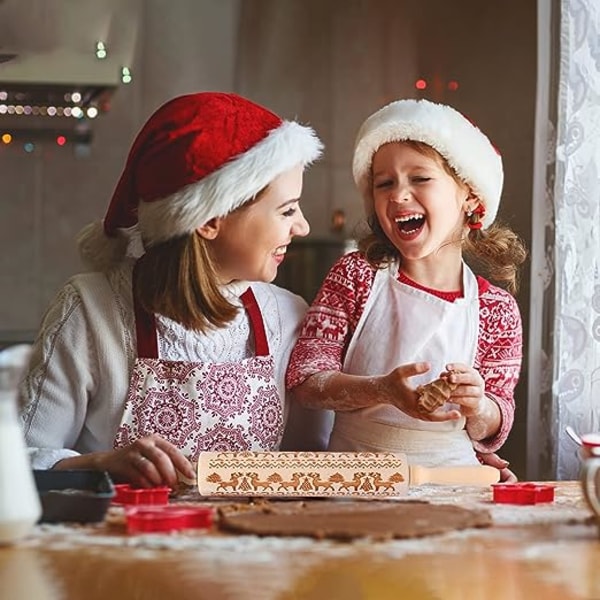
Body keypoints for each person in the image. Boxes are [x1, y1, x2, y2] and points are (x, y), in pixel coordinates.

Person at [20, 92, 331, 488]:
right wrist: (101, 464)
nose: (301, 227)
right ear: (209, 221)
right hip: (121, 547)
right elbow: (17, 466)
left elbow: (312, 466)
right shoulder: (90, 311)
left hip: (254, 546)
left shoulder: (288, 316)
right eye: (287, 210)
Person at [286, 98, 527, 472]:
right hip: (355, 480)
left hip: (451, 482)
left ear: (471, 197)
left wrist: (478, 405)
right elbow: (306, 381)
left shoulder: (496, 310)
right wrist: (381, 390)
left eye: (420, 178)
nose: (398, 194)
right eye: (384, 183)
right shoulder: (355, 276)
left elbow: (496, 424)